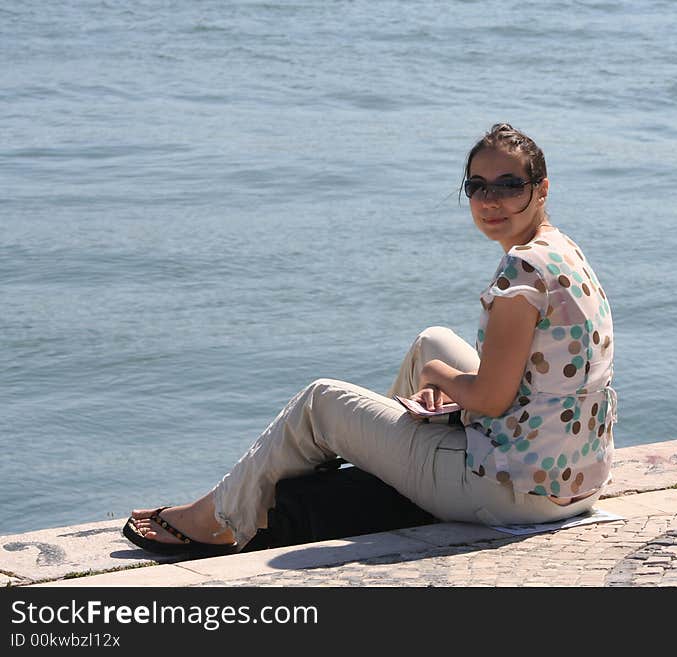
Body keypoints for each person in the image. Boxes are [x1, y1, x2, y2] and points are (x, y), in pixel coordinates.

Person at [124, 123, 617, 556]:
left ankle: (217, 520)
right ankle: (387, 462)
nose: (491, 200)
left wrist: (437, 376)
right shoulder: (561, 250)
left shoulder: (521, 270)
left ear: (542, 188)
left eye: (510, 186)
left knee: (320, 401)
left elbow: (490, 398)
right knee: (433, 339)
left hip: (514, 492)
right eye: (478, 186)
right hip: (575, 478)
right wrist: (441, 373)